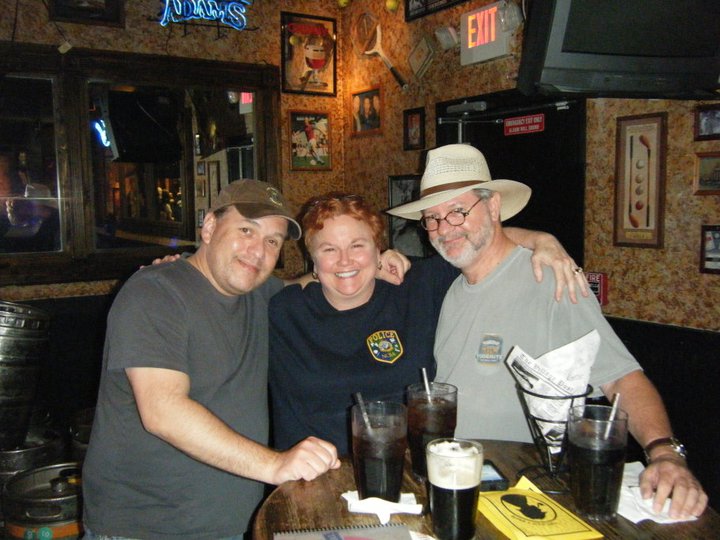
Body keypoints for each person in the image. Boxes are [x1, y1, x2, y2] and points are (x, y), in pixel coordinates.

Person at [387, 143, 708, 518]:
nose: (444, 229)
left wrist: (665, 453)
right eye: (432, 218)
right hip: (451, 482)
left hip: (522, 491)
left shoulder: (548, 279)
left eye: (457, 211)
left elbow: (621, 378)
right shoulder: (450, 287)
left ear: (493, 207)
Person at [82, 180, 340, 540]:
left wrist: (367, 265)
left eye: (272, 241)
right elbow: (162, 411)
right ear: (208, 227)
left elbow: (307, 283)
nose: (258, 250)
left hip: (229, 525)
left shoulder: (259, 294)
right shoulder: (155, 292)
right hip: (147, 530)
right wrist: (276, 463)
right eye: (247, 230)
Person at [269, 193, 586, 455]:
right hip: (311, 483)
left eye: (357, 245)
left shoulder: (417, 286)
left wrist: (540, 239)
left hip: (409, 479)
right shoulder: (283, 311)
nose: (344, 260)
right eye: (329, 250)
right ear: (312, 258)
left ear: (379, 249)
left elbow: (484, 244)